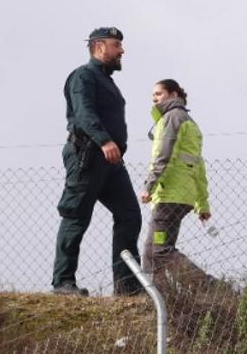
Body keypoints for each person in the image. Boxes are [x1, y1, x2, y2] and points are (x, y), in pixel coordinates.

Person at [51, 27, 143, 296]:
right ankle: (63, 282)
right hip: (88, 154)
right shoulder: (83, 76)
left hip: (111, 162)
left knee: (129, 215)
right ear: (99, 46)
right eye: (117, 45)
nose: (122, 50)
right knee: (76, 214)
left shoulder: (107, 81)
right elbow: (84, 113)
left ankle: (127, 287)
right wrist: (104, 140)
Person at [139, 79, 211, 283]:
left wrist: (149, 186)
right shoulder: (190, 123)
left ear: (173, 95)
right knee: (154, 249)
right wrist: (202, 204)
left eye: (159, 93)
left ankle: (208, 286)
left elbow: (164, 156)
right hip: (181, 197)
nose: (154, 99)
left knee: (159, 250)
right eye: (153, 95)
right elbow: (198, 167)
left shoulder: (172, 118)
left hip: (169, 195)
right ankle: (158, 294)